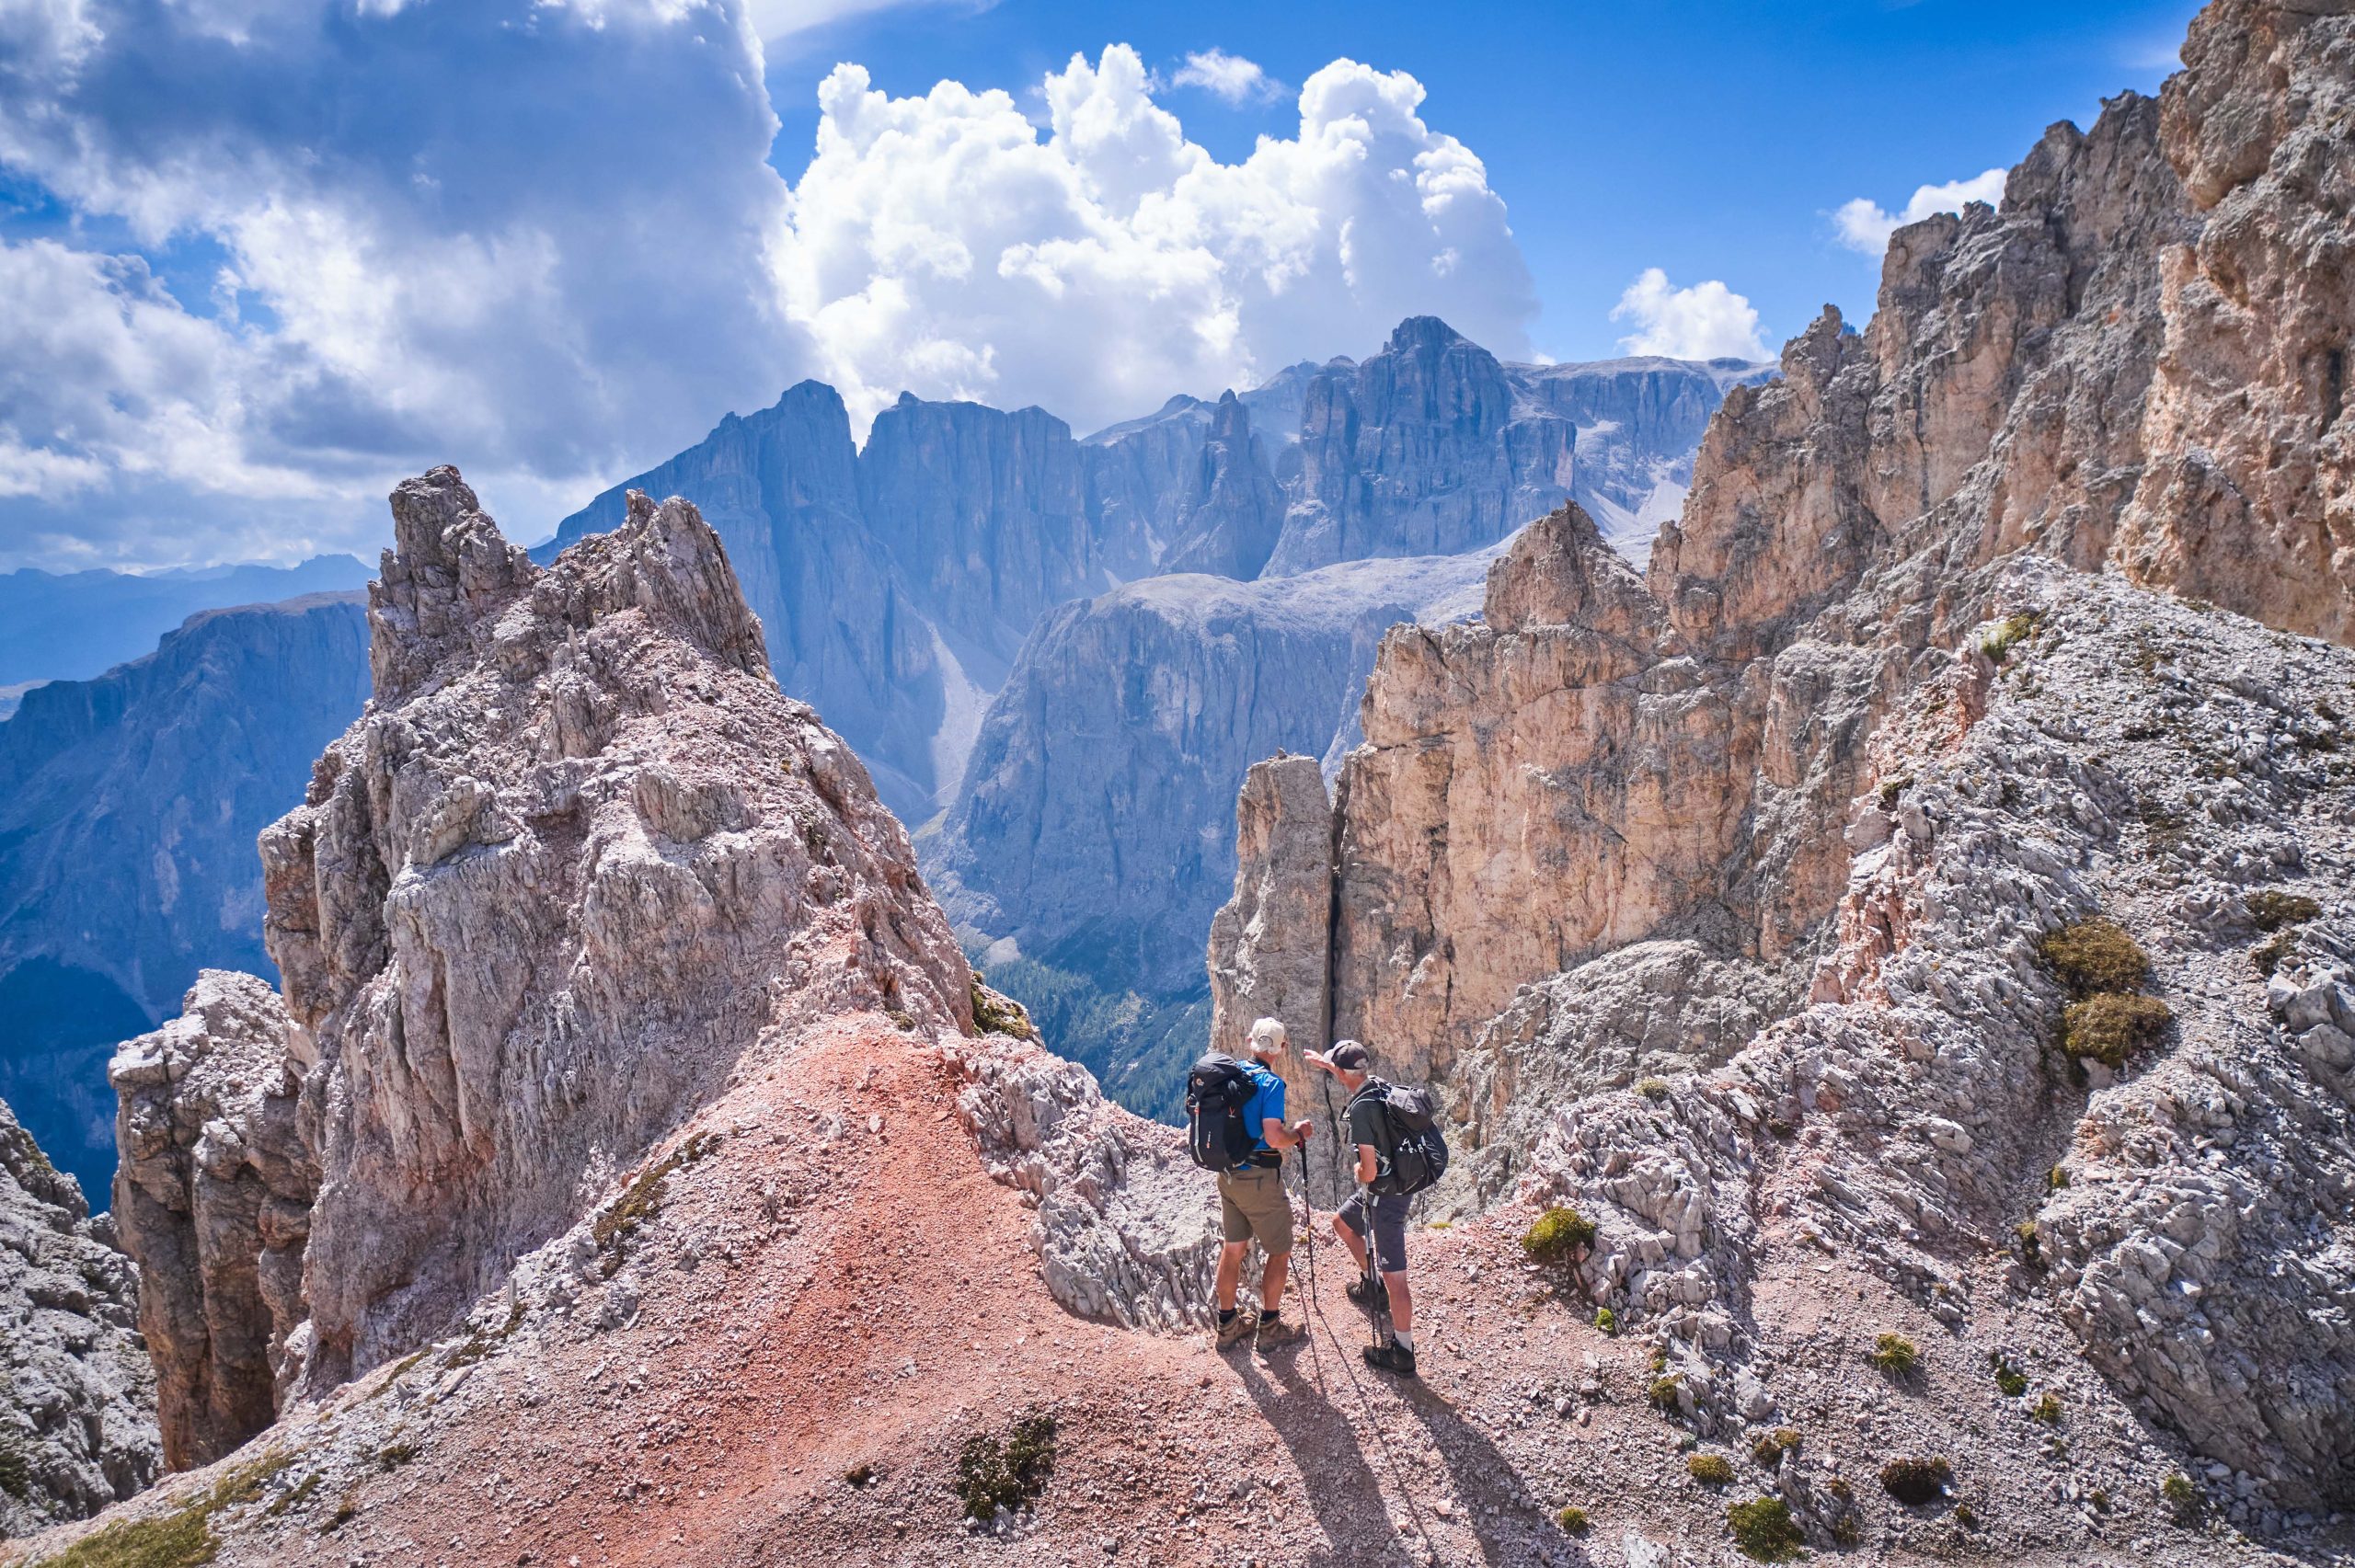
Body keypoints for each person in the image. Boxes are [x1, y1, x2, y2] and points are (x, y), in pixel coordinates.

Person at [1308, 1039, 1416, 1378]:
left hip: (1385, 1196)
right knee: (1341, 1222)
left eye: (1335, 1069)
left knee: (1396, 1278)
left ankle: (1403, 1351)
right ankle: (1372, 1285)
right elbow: (1350, 1073)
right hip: (1391, 1186)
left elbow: (1366, 1171)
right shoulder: (1379, 1085)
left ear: (1343, 1074)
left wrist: (1357, 1171)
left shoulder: (1360, 1110)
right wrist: (1328, 1066)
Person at [1213, 1017, 1314, 1350]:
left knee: (1233, 1249)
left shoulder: (1233, 1075)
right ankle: (1269, 1328)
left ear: (1249, 1042)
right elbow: (1273, 1137)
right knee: (1280, 1251)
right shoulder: (1271, 1085)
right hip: (1258, 1179)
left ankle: (1227, 1325)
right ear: (1282, 1049)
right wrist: (1299, 1134)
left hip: (1227, 1176)